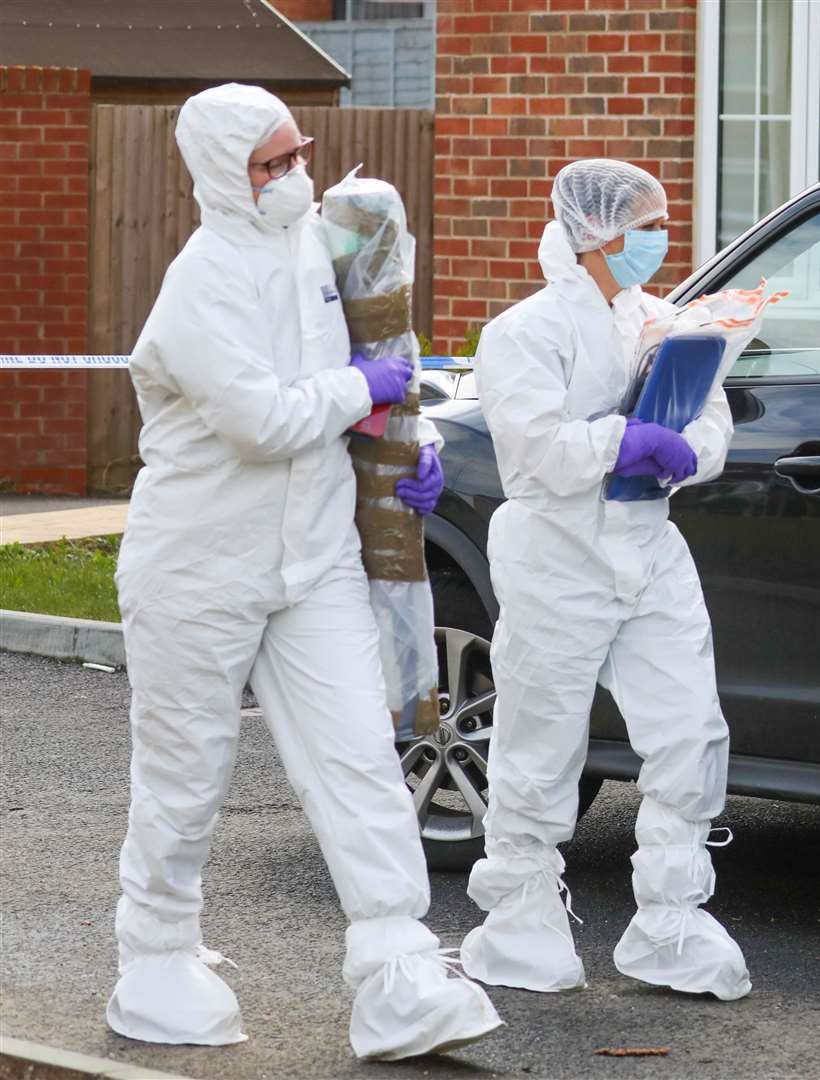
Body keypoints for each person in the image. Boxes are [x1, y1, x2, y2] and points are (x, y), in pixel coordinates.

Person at [108, 83, 500, 1059]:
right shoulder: (199, 283)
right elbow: (261, 421)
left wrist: (406, 443)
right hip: (198, 562)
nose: (292, 176)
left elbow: (370, 371)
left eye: (298, 155)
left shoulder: (329, 254)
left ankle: (398, 969)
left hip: (312, 557)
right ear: (221, 175)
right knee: (185, 773)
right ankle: (154, 958)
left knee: (360, 764)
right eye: (269, 164)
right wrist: (354, 392)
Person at [459, 159, 749, 1001]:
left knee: (689, 732)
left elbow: (713, 419)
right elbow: (535, 449)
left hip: (648, 543)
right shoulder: (526, 331)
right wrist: (620, 441)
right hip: (558, 554)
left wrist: (687, 452)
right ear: (599, 231)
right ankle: (519, 920)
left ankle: (672, 922)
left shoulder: (664, 321)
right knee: (541, 745)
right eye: (647, 225)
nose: (660, 240)